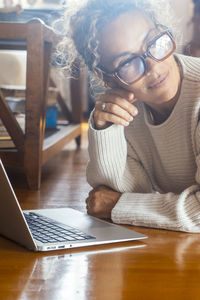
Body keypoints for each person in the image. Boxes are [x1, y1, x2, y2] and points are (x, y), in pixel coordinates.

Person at [62, 0, 200, 232]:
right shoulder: (127, 107)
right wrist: (105, 128)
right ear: (107, 78)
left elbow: (115, 203)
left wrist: (119, 206)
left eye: (153, 43)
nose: (152, 67)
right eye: (127, 62)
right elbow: (119, 193)